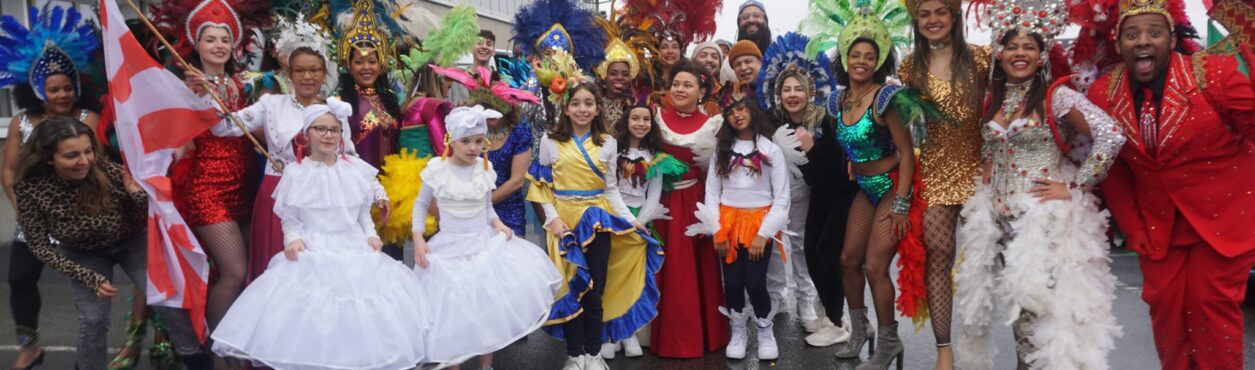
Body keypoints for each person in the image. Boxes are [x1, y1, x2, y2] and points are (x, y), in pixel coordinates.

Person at [1076, 0, 1255, 368]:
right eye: (1132, 34)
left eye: (1154, 32)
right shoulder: (1103, 94)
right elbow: (1116, 168)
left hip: (1224, 220)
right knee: (1167, 318)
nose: (1143, 41)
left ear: (1171, 38)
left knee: (1210, 308)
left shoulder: (1214, 74)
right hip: (1158, 230)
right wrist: (1134, 228)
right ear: (1119, 41)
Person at [953, 8, 1125, 367]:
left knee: (1037, 311)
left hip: (1038, 222)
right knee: (1021, 316)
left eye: (1028, 47)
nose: (1019, 53)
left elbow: (1110, 134)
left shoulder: (1055, 98)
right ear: (999, 53)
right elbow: (989, 149)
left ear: (1042, 54)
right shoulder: (993, 98)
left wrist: (1076, 185)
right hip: (997, 221)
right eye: (1011, 46)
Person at [210, 105, 429, 370]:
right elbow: (291, 218)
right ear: (307, 134)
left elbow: (361, 213)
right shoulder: (295, 173)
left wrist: (370, 235)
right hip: (314, 246)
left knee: (358, 319)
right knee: (315, 321)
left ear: (341, 134)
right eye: (321, 129)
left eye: (334, 130)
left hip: (352, 245)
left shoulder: (355, 170)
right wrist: (293, 239)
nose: (328, 135)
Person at [526, 57, 662, 370]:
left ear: (598, 108)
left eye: (589, 103)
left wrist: (631, 222)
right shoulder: (549, 140)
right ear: (566, 107)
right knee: (570, 289)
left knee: (595, 289)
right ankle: (574, 356)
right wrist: (553, 220)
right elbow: (541, 187)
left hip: (598, 221)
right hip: (563, 223)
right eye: (577, 104)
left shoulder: (609, 142)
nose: (583, 109)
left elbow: (611, 190)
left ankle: (593, 352)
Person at [412, 105, 562, 369]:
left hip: (482, 242)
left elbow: (487, 208)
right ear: (451, 140)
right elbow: (420, 206)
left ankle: (486, 365)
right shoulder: (437, 169)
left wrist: (498, 224)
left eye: (479, 141)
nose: (472, 147)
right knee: (452, 311)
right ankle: (453, 362)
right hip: (449, 246)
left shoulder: (484, 168)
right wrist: (419, 240)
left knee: (486, 305)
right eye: (465, 141)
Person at [824, 2, 930, 367]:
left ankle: (889, 342)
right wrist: (854, 163)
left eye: (870, 56)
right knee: (847, 260)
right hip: (865, 189)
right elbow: (851, 144)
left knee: (873, 266)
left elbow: (906, 152)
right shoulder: (836, 100)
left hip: (892, 187)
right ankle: (860, 331)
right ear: (845, 57)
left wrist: (902, 203)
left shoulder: (888, 98)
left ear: (879, 60)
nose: (862, 61)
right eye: (856, 54)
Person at [0, 6, 105, 369]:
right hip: (32, 221)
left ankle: (88, 357)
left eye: (67, 88)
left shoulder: (86, 119)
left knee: (86, 292)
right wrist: (23, 209)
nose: (62, 95)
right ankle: (29, 345)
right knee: (20, 279)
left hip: (79, 218)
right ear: (35, 90)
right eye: (53, 89)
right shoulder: (20, 123)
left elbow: (95, 167)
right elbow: (10, 169)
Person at [209, 48, 361, 280]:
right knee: (278, 272)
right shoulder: (271, 104)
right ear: (288, 74)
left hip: (324, 201)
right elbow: (223, 127)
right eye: (299, 70)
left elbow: (349, 156)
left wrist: (375, 194)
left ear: (324, 74)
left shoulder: (335, 109)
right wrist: (206, 95)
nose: (307, 76)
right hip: (279, 195)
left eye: (314, 70)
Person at [897, 0, 991, 365]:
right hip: (936, 172)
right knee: (938, 257)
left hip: (981, 171)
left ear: (954, 17)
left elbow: (1003, 105)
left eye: (940, 11)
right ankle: (944, 350)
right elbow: (904, 128)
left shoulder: (982, 59)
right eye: (925, 13)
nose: (933, 20)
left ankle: (1012, 347)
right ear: (916, 20)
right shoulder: (909, 69)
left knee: (995, 260)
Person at [14, 117, 148, 370]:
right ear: (48, 158)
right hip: (83, 254)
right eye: (72, 155)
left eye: (88, 151)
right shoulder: (29, 188)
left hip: (131, 241)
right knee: (94, 320)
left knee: (167, 299)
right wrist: (87, 276)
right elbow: (40, 246)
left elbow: (145, 216)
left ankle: (196, 358)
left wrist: (135, 193)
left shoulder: (106, 169)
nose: (84, 161)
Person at [755, 31, 846, 344]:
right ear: (778, 94)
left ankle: (806, 299)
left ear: (810, 92)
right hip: (774, 194)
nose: (792, 94)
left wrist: (811, 148)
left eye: (799, 89)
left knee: (802, 246)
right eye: (786, 89)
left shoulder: (824, 122)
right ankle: (776, 296)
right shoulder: (767, 121)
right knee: (775, 246)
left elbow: (833, 169)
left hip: (812, 195)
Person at [686, 98, 789, 361]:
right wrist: (717, 231)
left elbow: (781, 198)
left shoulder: (771, 150)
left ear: (754, 112)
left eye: (742, 109)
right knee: (732, 283)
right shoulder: (722, 149)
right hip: (728, 224)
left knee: (755, 283)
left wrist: (763, 234)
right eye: (730, 112)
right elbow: (712, 192)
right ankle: (738, 330)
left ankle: (765, 331)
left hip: (758, 225)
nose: (736, 115)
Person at [650, 61, 728, 359]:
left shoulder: (714, 124)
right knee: (665, 269)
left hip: (696, 202)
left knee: (695, 271)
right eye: (676, 84)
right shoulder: (655, 119)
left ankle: (703, 335)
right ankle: (659, 336)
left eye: (688, 85)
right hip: (663, 202)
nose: (680, 90)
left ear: (701, 91)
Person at [599, 104, 687, 360]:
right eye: (635, 118)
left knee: (634, 277)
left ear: (651, 124)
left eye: (646, 119)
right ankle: (609, 334)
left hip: (640, 221)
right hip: (612, 216)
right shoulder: (613, 151)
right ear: (626, 122)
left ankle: (628, 333)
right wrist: (621, 219)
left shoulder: (655, 156)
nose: (640, 123)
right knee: (610, 274)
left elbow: (654, 194)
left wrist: (642, 222)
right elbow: (608, 187)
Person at [336, 0, 404, 260]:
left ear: (381, 63)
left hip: (391, 189)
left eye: (372, 61)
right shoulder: (341, 102)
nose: (366, 67)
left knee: (392, 258)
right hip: (356, 191)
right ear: (348, 64)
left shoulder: (389, 99)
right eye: (359, 61)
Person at [691, 42, 727, 115]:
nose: (709, 60)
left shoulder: (725, 93)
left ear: (720, 65)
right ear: (693, 61)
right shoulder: (681, 87)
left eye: (714, 57)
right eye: (703, 56)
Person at [723, 41, 763, 106]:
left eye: (748, 61)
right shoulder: (730, 99)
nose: (743, 68)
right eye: (737, 64)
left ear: (760, 62)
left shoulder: (777, 88)